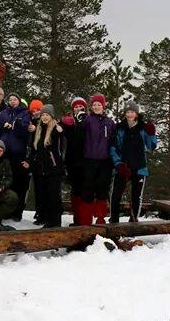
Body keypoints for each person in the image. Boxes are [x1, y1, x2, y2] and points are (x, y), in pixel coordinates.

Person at [69, 93, 116, 225]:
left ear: (103, 106)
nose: (96, 107)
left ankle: (100, 219)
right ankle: (85, 221)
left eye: (99, 104)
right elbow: (78, 138)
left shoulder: (110, 122)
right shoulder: (87, 120)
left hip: (105, 161)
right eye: (94, 104)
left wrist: (115, 161)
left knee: (102, 190)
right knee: (87, 191)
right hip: (89, 160)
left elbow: (114, 141)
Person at [111, 101, 158, 223]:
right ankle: (114, 220)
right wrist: (119, 164)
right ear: (125, 114)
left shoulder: (143, 128)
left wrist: (152, 134)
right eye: (127, 112)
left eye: (132, 112)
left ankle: (133, 220)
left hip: (139, 168)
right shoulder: (119, 128)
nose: (130, 114)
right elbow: (113, 148)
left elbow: (151, 146)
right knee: (116, 195)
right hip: (123, 167)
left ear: (136, 113)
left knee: (136, 196)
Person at [29, 104, 66, 227]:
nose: (44, 117)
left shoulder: (56, 129)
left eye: (47, 115)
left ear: (51, 116)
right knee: (43, 194)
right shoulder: (38, 130)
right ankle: (45, 218)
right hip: (40, 168)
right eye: (43, 115)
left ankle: (55, 221)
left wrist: (59, 167)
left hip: (53, 168)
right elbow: (34, 149)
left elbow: (60, 150)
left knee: (53, 195)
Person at [0, 93, 31, 221]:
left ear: (19, 101)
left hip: (19, 152)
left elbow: (26, 130)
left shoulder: (24, 113)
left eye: (15, 99)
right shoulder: (4, 113)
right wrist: (3, 126)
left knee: (19, 183)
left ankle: (18, 212)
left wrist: (14, 126)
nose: (12, 101)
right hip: (5, 152)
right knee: (7, 182)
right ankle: (6, 210)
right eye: (10, 99)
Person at [61, 97, 88, 225]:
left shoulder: (88, 120)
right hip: (71, 160)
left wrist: (82, 122)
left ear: (84, 108)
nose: (78, 109)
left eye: (80, 107)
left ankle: (84, 219)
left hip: (85, 160)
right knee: (75, 191)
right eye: (75, 107)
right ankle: (76, 219)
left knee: (84, 191)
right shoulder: (68, 122)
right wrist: (64, 122)